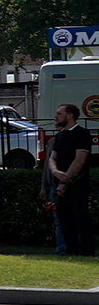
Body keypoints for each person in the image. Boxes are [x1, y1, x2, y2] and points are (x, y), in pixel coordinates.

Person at [50, 103, 92, 256]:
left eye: (59, 114)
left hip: (77, 184)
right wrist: (55, 171)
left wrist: (64, 180)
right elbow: (52, 158)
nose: (56, 117)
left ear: (70, 116)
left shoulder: (82, 134)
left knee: (81, 219)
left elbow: (79, 161)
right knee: (64, 221)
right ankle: (71, 253)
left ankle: (87, 253)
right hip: (59, 184)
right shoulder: (59, 135)